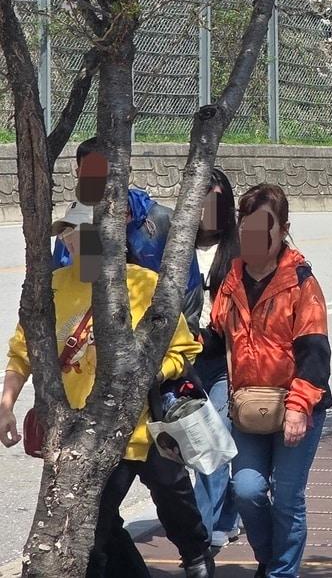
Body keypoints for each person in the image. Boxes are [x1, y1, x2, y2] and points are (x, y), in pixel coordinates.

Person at [1, 210, 211, 578]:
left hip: (144, 426)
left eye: (82, 233)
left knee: (174, 498)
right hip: (85, 435)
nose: (72, 241)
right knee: (95, 523)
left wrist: (151, 375)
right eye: (68, 234)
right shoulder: (51, 287)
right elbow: (22, 352)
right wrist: (6, 404)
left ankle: (197, 556)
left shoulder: (145, 285)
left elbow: (184, 349)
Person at [205, 183, 331, 578]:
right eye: (247, 228)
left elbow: (315, 354)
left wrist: (298, 408)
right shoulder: (232, 278)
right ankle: (271, 560)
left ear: (283, 228)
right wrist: (187, 343)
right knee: (247, 490)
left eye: (264, 228)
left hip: (297, 405)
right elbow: (217, 335)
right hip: (247, 406)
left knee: (288, 498)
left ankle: (281, 573)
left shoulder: (301, 283)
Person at [53, 137, 203, 329]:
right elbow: (57, 286)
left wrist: (180, 345)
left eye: (109, 175)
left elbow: (189, 288)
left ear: (127, 174)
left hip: (156, 344)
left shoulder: (162, 222)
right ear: (78, 174)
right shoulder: (72, 226)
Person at [193, 167, 243, 552]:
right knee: (197, 445)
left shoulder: (240, 249)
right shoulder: (174, 244)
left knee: (215, 442)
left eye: (216, 200)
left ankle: (200, 532)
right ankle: (227, 518)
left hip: (226, 358)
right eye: (201, 198)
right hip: (184, 358)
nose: (207, 209)